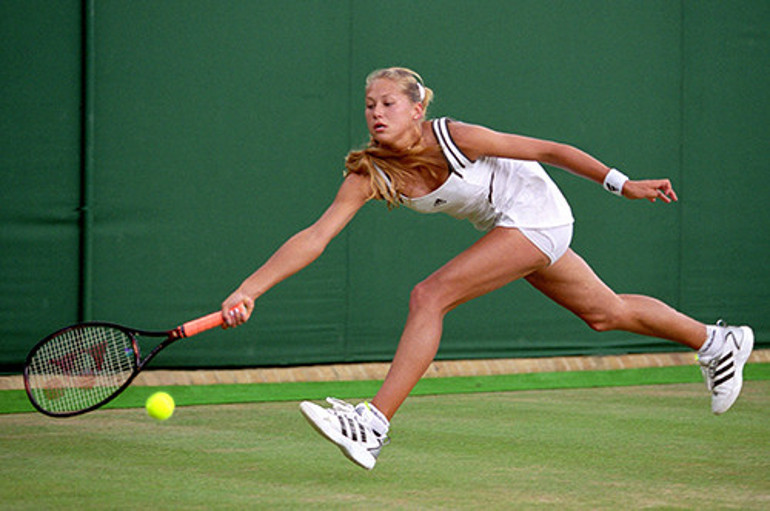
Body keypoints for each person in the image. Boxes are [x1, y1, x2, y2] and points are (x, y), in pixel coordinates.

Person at [221, 67, 754, 470]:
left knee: (430, 295)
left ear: (415, 108)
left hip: (537, 217)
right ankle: (715, 342)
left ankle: (373, 423)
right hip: (508, 228)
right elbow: (316, 236)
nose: (376, 113)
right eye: (368, 105)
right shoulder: (372, 171)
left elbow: (549, 149)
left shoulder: (455, 135)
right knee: (603, 312)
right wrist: (250, 289)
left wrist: (623, 183)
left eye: (387, 103)